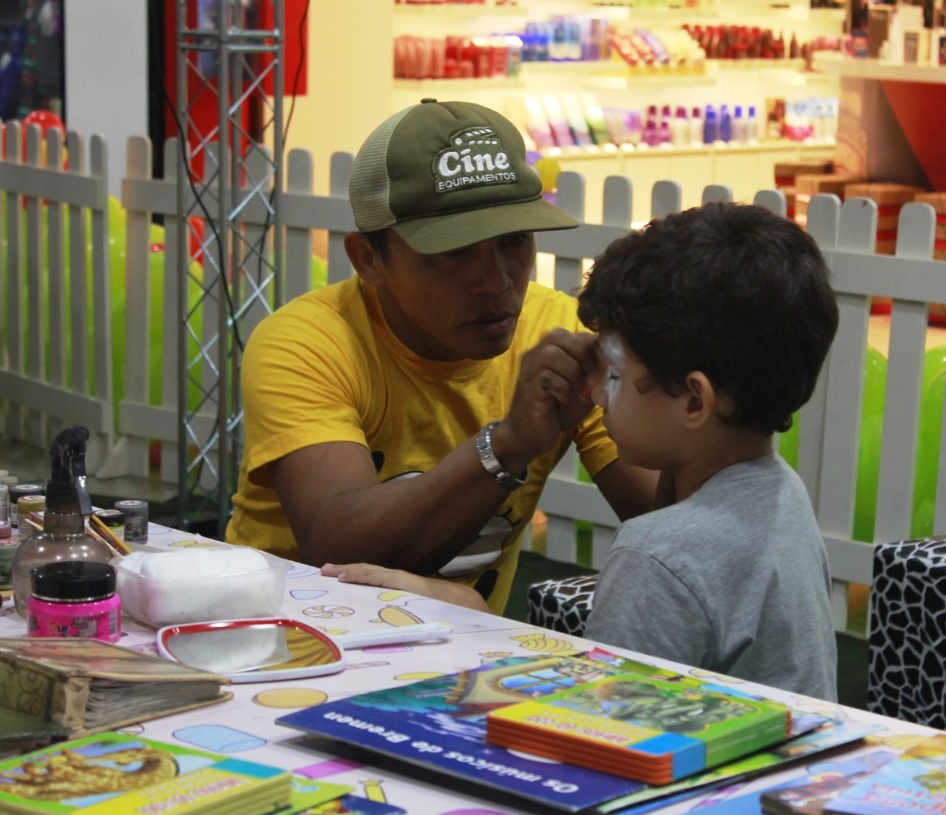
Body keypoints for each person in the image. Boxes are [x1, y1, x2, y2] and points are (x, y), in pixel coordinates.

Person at [329, 201, 841, 701]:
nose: (597, 394)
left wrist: (467, 620)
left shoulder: (657, 554)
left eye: (615, 375)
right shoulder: (781, 494)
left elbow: (596, 731)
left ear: (694, 400)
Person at [227, 99, 657, 615]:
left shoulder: (557, 334)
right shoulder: (308, 343)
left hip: (458, 664)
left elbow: (676, 522)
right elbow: (336, 545)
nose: (496, 282)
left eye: (515, 241)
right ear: (369, 259)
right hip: (286, 645)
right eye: (453, 253)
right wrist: (509, 445)